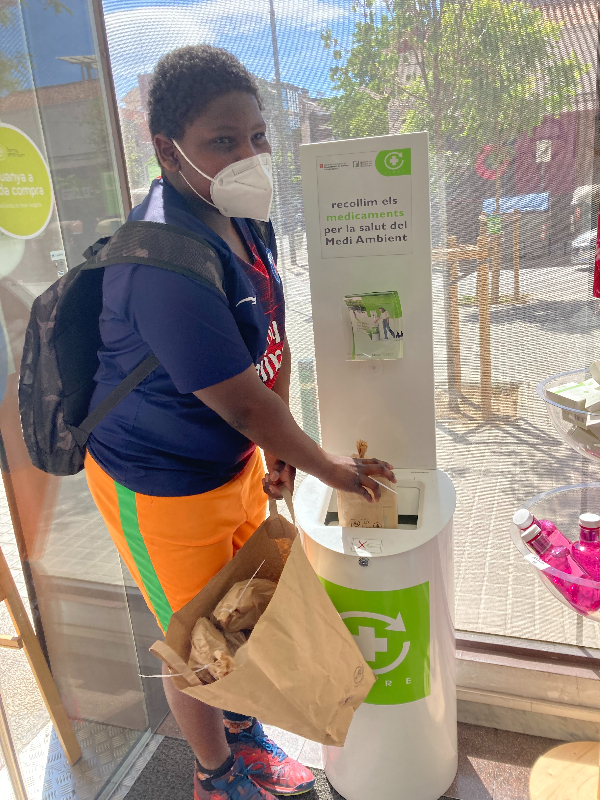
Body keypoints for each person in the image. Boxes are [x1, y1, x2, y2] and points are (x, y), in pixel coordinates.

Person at [84, 45, 395, 800]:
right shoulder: (160, 260)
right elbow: (243, 403)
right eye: (224, 141)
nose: (249, 156)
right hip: (159, 482)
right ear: (168, 150)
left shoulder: (244, 220)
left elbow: (270, 343)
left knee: (241, 608)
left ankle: (242, 731)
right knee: (194, 638)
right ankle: (215, 775)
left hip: (232, 466)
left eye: (257, 136)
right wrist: (332, 471)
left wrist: (278, 456)